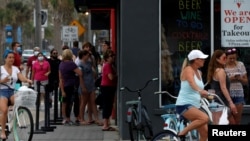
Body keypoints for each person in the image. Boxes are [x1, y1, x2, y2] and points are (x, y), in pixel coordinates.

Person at [175, 50, 209, 141]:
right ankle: (182, 133)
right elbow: (191, 83)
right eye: (202, 59)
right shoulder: (188, 69)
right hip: (184, 104)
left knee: (205, 133)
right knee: (204, 118)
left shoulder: (199, 72)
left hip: (195, 105)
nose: (204, 60)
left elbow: (194, 91)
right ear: (195, 60)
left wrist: (204, 95)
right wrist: (200, 90)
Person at [0, 50, 32, 139]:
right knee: (5, 110)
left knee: (20, 102)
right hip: (2, 92)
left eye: (13, 57)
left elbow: (21, 78)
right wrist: (2, 81)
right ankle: (3, 132)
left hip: (12, 91)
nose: (12, 59)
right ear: (5, 59)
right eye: (9, 57)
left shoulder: (15, 69)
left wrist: (27, 80)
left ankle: (14, 121)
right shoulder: (1, 69)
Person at [207, 49, 238, 125]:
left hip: (217, 102)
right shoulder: (220, 71)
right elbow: (223, 88)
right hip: (221, 102)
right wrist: (231, 103)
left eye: (226, 57)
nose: (226, 59)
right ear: (217, 59)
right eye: (224, 58)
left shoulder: (214, 71)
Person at [59, 49, 85, 125]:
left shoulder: (61, 64)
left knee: (65, 102)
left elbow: (60, 77)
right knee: (75, 101)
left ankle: (66, 118)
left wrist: (62, 90)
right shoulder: (71, 64)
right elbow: (80, 73)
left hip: (64, 85)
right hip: (72, 85)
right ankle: (77, 117)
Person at [224, 48, 248, 124]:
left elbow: (246, 82)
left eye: (234, 58)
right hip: (226, 95)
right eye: (230, 58)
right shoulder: (223, 66)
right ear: (226, 58)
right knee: (229, 120)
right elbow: (219, 82)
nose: (232, 60)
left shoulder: (240, 65)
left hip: (238, 94)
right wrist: (229, 79)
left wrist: (239, 78)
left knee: (237, 120)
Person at [100, 50, 117, 131]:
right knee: (107, 105)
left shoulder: (110, 65)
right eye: (111, 56)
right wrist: (117, 75)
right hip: (107, 87)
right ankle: (105, 124)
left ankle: (107, 123)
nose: (113, 57)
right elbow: (110, 77)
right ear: (107, 58)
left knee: (109, 105)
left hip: (109, 87)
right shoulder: (107, 65)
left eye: (113, 55)